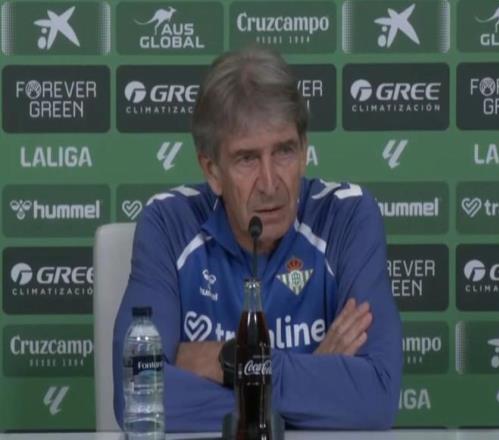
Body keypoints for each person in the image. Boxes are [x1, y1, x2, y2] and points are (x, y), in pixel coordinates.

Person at [113, 46, 402, 432]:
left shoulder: (346, 217)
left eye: (284, 151)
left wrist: (229, 360)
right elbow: (137, 394)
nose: (269, 184)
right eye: (247, 159)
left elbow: (376, 397)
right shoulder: (168, 224)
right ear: (212, 171)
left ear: (304, 151)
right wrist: (316, 386)